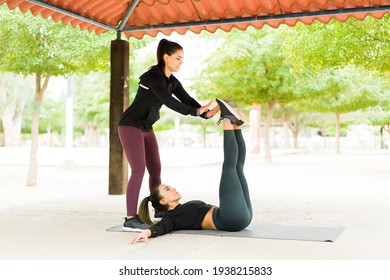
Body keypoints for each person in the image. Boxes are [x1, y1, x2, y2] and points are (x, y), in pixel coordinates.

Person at [118, 39, 219, 231]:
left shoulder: (172, 81)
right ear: (166, 57)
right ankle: (130, 218)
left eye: (182, 59)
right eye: (178, 58)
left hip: (147, 127)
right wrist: (197, 112)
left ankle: (159, 209)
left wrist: (205, 113)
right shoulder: (153, 77)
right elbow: (169, 101)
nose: (181, 62)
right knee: (138, 170)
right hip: (130, 125)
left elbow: (187, 100)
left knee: (155, 169)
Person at [129, 98, 252, 244]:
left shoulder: (180, 210)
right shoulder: (172, 218)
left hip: (241, 217)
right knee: (229, 167)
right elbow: (162, 227)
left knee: (237, 167)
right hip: (230, 218)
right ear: (163, 201)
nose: (173, 188)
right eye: (167, 189)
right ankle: (227, 119)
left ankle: (235, 124)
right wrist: (148, 232)